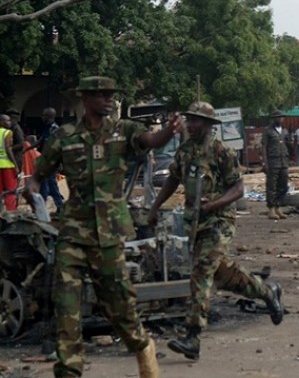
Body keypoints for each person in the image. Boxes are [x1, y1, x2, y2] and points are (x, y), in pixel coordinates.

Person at [30, 76, 179, 378]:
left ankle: (142, 347)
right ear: (85, 99)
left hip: (110, 234)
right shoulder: (65, 137)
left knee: (119, 306)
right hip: (73, 233)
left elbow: (149, 141)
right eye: (101, 95)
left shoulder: (123, 130)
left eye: (111, 94)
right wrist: (32, 191)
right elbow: (39, 172)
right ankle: (69, 370)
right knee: (66, 304)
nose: (109, 99)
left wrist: (168, 131)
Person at [148, 101, 284, 361]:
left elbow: (239, 189)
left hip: (220, 221)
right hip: (196, 223)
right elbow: (173, 179)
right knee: (221, 273)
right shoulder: (185, 151)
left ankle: (193, 336)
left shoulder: (222, 151)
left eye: (197, 120)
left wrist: (215, 204)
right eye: (190, 120)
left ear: (209, 125)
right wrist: (155, 207)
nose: (192, 124)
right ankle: (268, 291)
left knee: (200, 271)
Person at [262, 110, 289, 220]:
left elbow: (288, 145)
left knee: (283, 185)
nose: (280, 119)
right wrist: (265, 163)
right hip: (273, 161)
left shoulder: (285, 131)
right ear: (274, 118)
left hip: (284, 161)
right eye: (278, 117)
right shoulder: (268, 131)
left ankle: (278, 207)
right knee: (271, 186)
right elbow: (263, 147)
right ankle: (271, 209)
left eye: (282, 117)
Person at [38, 107, 65, 214]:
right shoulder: (46, 128)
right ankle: (59, 206)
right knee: (50, 185)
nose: (42, 117)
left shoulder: (54, 129)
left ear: (49, 116)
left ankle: (42, 209)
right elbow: (40, 141)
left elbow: (59, 147)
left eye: (44, 115)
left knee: (45, 184)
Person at [0, 114, 18, 211]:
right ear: (1, 122)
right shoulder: (7, 132)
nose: (9, 122)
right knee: (10, 190)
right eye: (7, 120)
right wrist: (15, 165)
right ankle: (11, 212)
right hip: (7, 165)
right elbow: (8, 149)